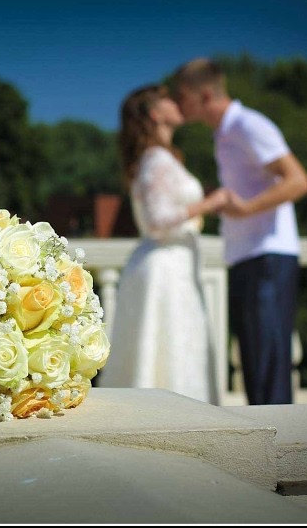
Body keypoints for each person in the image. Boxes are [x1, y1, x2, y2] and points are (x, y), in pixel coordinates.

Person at [172, 58, 307, 405]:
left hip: (268, 255)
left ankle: (282, 438)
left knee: (268, 366)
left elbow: (298, 181)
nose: (178, 105)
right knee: (254, 363)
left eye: (183, 97)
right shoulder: (224, 133)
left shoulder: (249, 125)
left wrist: (247, 208)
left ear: (205, 96)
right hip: (247, 256)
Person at [96, 84, 228, 405]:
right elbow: (157, 221)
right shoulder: (156, 159)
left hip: (172, 265)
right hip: (165, 268)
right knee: (169, 346)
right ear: (156, 113)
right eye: (169, 99)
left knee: (172, 348)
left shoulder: (158, 157)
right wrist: (210, 203)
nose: (176, 103)